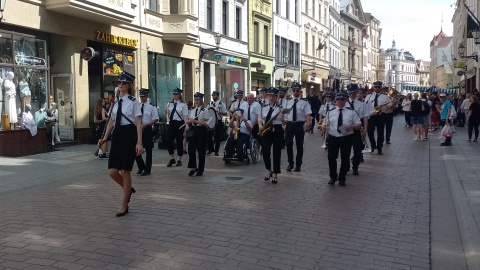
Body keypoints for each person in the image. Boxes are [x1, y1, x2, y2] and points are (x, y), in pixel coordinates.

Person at [98, 71, 143, 217]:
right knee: (112, 171)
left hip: (129, 135)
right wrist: (104, 138)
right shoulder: (115, 102)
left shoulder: (134, 101)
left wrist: (139, 143)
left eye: (123, 83)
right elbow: (111, 121)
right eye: (119, 83)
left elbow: (138, 123)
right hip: (117, 135)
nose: (121, 85)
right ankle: (128, 190)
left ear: (129, 85)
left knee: (125, 171)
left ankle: (124, 204)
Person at [323, 91, 362, 186]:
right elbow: (325, 123)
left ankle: (342, 178)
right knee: (331, 158)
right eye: (337, 99)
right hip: (333, 137)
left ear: (346, 100)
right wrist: (324, 127)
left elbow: (359, 124)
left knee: (345, 158)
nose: (340, 101)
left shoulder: (351, 111)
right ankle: (333, 177)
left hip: (346, 137)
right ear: (335, 100)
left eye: (342, 99)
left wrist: (352, 126)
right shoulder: (330, 111)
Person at [259, 88, 285, 184]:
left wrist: (283, 118)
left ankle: (275, 173)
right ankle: (269, 170)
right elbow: (260, 118)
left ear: (276, 97)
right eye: (269, 95)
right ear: (267, 96)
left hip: (277, 129)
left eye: (273, 96)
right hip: (266, 130)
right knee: (265, 151)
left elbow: (285, 121)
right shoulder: (263, 107)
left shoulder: (280, 108)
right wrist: (261, 125)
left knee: (276, 152)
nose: (271, 98)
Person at [285, 83, 312, 172]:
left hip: (299, 125)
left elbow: (307, 114)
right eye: (294, 90)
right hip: (290, 124)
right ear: (292, 91)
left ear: (300, 91)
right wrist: (283, 124)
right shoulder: (288, 102)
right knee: (288, 144)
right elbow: (284, 114)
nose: (296, 92)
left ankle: (298, 165)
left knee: (299, 145)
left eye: (297, 90)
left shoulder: (304, 102)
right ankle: (290, 163)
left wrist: (308, 124)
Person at [346, 84, 372, 175]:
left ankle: (355, 166)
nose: (352, 95)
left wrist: (365, 129)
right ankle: (346, 165)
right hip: (347, 127)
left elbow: (365, 117)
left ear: (356, 92)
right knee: (346, 149)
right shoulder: (344, 103)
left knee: (357, 149)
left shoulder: (362, 104)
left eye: (354, 93)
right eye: (350, 93)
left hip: (358, 127)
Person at [186, 92, 212, 176]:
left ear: (201, 100)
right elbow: (189, 119)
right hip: (193, 130)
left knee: (201, 151)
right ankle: (194, 167)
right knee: (191, 149)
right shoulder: (192, 110)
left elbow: (206, 123)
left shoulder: (205, 110)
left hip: (201, 130)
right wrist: (188, 122)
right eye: (195, 99)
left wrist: (196, 121)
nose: (196, 101)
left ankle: (200, 169)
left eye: (198, 100)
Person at [135, 89, 159, 176]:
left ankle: (147, 169)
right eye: (141, 96)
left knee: (148, 151)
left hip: (147, 129)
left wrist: (146, 125)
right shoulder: (137, 105)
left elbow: (155, 118)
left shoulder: (151, 107)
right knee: (136, 148)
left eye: (143, 96)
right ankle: (141, 166)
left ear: (147, 96)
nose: (142, 98)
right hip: (138, 128)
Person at [365, 81, 391, 155]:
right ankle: (373, 146)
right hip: (372, 116)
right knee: (370, 131)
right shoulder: (369, 96)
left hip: (381, 116)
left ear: (381, 87)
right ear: (373, 87)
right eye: (375, 87)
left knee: (380, 132)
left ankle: (380, 148)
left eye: (378, 87)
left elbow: (388, 107)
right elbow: (365, 105)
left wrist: (393, 105)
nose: (377, 88)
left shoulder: (385, 96)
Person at [164, 88, 189, 167]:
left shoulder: (183, 105)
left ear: (179, 95)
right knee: (168, 140)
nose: (174, 96)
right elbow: (167, 115)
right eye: (173, 94)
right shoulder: (169, 104)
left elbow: (185, 116)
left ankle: (179, 159)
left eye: (176, 94)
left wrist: (186, 125)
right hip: (171, 123)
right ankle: (172, 158)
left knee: (179, 141)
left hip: (179, 124)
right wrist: (165, 113)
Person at [207, 91, 227, 156]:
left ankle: (216, 151)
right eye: (212, 95)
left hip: (218, 120)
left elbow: (225, 113)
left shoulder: (221, 104)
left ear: (217, 96)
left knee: (217, 136)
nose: (213, 97)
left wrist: (219, 112)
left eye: (215, 95)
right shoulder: (210, 103)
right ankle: (210, 148)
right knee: (209, 135)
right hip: (211, 120)